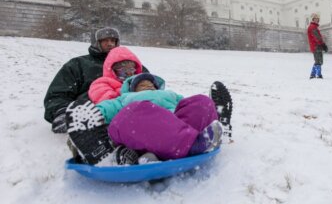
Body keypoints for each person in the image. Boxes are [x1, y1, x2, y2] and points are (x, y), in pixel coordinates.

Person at [66, 72, 231, 166]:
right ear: (131, 88)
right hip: (139, 131)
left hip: (174, 128)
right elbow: (101, 110)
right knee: (133, 112)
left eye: (150, 83)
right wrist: (83, 124)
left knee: (200, 102)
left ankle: (204, 132)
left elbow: (187, 108)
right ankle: (188, 145)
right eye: (142, 85)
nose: (147, 86)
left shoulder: (169, 95)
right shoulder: (125, 99)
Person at [44, 27, 122, 133]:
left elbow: (147, 85)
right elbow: (58, 93)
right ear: (97, 42)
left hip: (122, 110)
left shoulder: (128, 64)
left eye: (113, 41)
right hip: (88, 110)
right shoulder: (78, 64)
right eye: (105, 41)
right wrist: (62, 111)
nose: (110, 44)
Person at [87, 46, 155, 104]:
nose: (129, 73)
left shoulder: (137, 82)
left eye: (131, 69)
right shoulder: (101, 84)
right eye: (123, 70)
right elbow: (109, 103)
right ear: (112, 71)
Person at [307, 13, 328, 79]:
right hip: (316, 46)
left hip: (316, 46)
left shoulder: (314, 27)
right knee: (318, 61)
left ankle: (313, 74)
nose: (317, 20)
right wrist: (323, 44)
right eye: (315, 19)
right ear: (313, 19)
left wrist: (322, 45)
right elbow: (317, 37)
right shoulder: (312, 27)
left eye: (318, 19)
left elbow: (318, 38)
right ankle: (318, 75)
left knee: (318, 61)